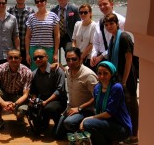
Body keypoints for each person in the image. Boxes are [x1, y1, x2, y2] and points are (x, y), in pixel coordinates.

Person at [103, 13, 139, 144]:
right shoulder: (112, 39)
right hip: (117, 77)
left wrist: (124, 80)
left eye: (111, 24)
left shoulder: (123, 37)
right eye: (106, 25)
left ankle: (134, 136)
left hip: (127, 77)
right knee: (122, 105)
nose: (109, 26)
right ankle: (124, 133)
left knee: (131, 105)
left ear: (117, 24)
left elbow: (129, 59)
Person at [80, 61, 132, 145]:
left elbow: (109, 113)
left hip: (121, 127)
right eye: (99, 73)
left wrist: (89, 118)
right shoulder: (97, 88)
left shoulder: (116, 87)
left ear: (112, 74)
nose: (102, 76)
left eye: (105, 73)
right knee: (84, 124)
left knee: (88, 123)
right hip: (107, 123)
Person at [54, 47, 98, 139]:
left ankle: (85, 132)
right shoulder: (68, 70)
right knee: (57, 135)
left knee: (68, 123)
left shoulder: (88, 75)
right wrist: (56, 65)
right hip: (71, 110)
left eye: (74, 59)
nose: (71, 62)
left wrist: (79, 108)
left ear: (80, 59)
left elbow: (98, 97)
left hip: (86, 111)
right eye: (68, 60)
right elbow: (63, 68)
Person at [0, 49, 33, 134]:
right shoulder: (1, 67)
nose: (13, 60)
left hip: (18, 96)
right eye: (10, 57)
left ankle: (20, 117)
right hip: (4, 93)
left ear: (20, 59)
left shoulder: (27, 72)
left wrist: (14, 104)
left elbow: (25, 95)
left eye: (16, 57)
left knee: (21, 111)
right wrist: (2, 102)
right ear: (7, 58)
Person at [30, 49, 67, 134]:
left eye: (40, 57)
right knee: (31, 108)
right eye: (35, 58)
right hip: (43, 100)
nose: (38, 59)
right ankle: (43, 122)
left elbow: (59, 91)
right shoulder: (34, 74)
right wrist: (34, 100)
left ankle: (60, 122)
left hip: (58, 100)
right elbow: (34, 91)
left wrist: (46, 102)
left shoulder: (57, 71)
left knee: (49, 108)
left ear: (47, 57)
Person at [25, 0, 60, 71]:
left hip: (48, 49)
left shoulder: (53, 16)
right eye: (37, 2)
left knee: (49, 72)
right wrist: (27, 54)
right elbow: (27, 37)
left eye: (41, 1)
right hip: (34, 49)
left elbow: (57, 35)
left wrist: (55, 53)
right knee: (34, 73)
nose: (39, 3)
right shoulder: (31, 17)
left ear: (45, 2)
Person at [90, 0, 125, 67]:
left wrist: (102, 56)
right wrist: (93, 55)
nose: (102, 7)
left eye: (105, 4)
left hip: (116, 57)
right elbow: (96, 42)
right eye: (100, 5)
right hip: (101, 60)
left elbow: (118, 43)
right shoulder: (99, 23)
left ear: (112, 4)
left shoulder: (121, 20)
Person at [8, 0, 35, 67]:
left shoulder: (31, 11)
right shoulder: (9, 11)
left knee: (26, 71)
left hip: (26, 48)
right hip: (13, 48)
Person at [72, 4, 96, 69]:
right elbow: (74, 40)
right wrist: (74, 52)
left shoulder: (94, 26)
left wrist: (82, 57)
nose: (83, 14)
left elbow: (91, 44)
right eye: (81, 12)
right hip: (77, 56)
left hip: (87, 57)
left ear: (90, 13)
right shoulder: (77, 24)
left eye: (85, 12)